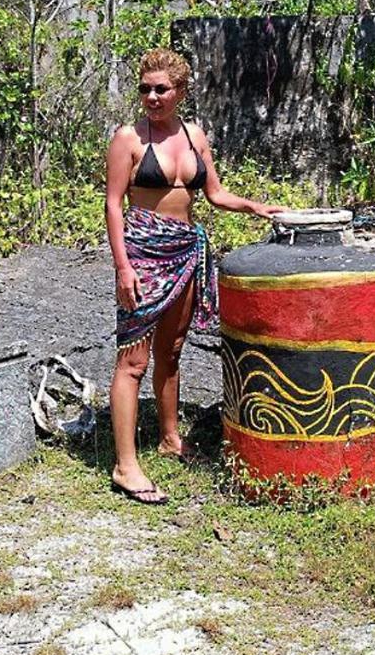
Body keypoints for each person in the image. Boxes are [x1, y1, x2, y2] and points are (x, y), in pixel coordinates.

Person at [105, 47, 280, 504]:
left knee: (173, 349)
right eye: (145, 88)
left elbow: (215, 193)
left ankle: (169, 437)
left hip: (185, 250)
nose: (152, 96)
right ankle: (125, 465)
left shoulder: (194, 134)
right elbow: (113, 205)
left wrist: (253, 206)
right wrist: (123, 266)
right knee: (133, 361)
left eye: (161, 88)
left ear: (180, 90)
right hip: (143, 254)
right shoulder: (129, 138)